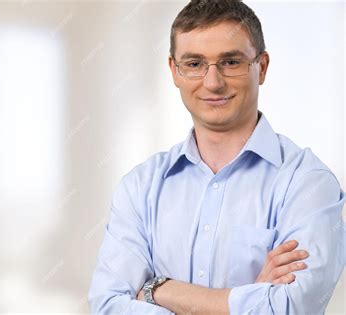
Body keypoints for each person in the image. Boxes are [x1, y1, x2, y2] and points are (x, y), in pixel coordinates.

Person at [88, 0, 345, 314]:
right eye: (194, 64)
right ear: (174, 71)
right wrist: (250, 297)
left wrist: (157, 290)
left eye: (231, 62)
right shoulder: (140, 187)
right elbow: (108, 304)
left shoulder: (308, 184)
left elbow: (290, 308)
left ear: (261, 67)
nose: (213, 82)